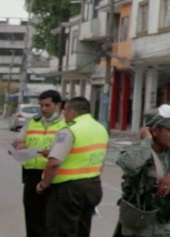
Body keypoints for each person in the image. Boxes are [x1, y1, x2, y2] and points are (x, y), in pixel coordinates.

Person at [114, 105, 170, 236]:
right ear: (155, 131)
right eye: (169, 130)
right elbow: (131, 166)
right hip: (140, 230)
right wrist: (147, 140)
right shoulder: (137, 152)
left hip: (169, 229)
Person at [37, 96, 109, 237]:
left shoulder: (70, 130)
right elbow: (99, 159)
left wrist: (44, 184)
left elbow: (54, 163)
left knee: (61, 231)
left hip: (68, 190)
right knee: (82, 230)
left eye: (65, 110)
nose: (63, 114)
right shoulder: (101, 129)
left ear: (72, 111)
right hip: (92, 186)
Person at [12, 90, 66, 237]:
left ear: (58, 105)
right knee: (32, 216)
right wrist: (19, 145)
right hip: (31, 174)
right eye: (41, 105)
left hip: (53, 175)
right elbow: (17, 141)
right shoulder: (33, 122)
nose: (43, 109)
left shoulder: (65, 125)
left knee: (51, 218)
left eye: (47, 105)